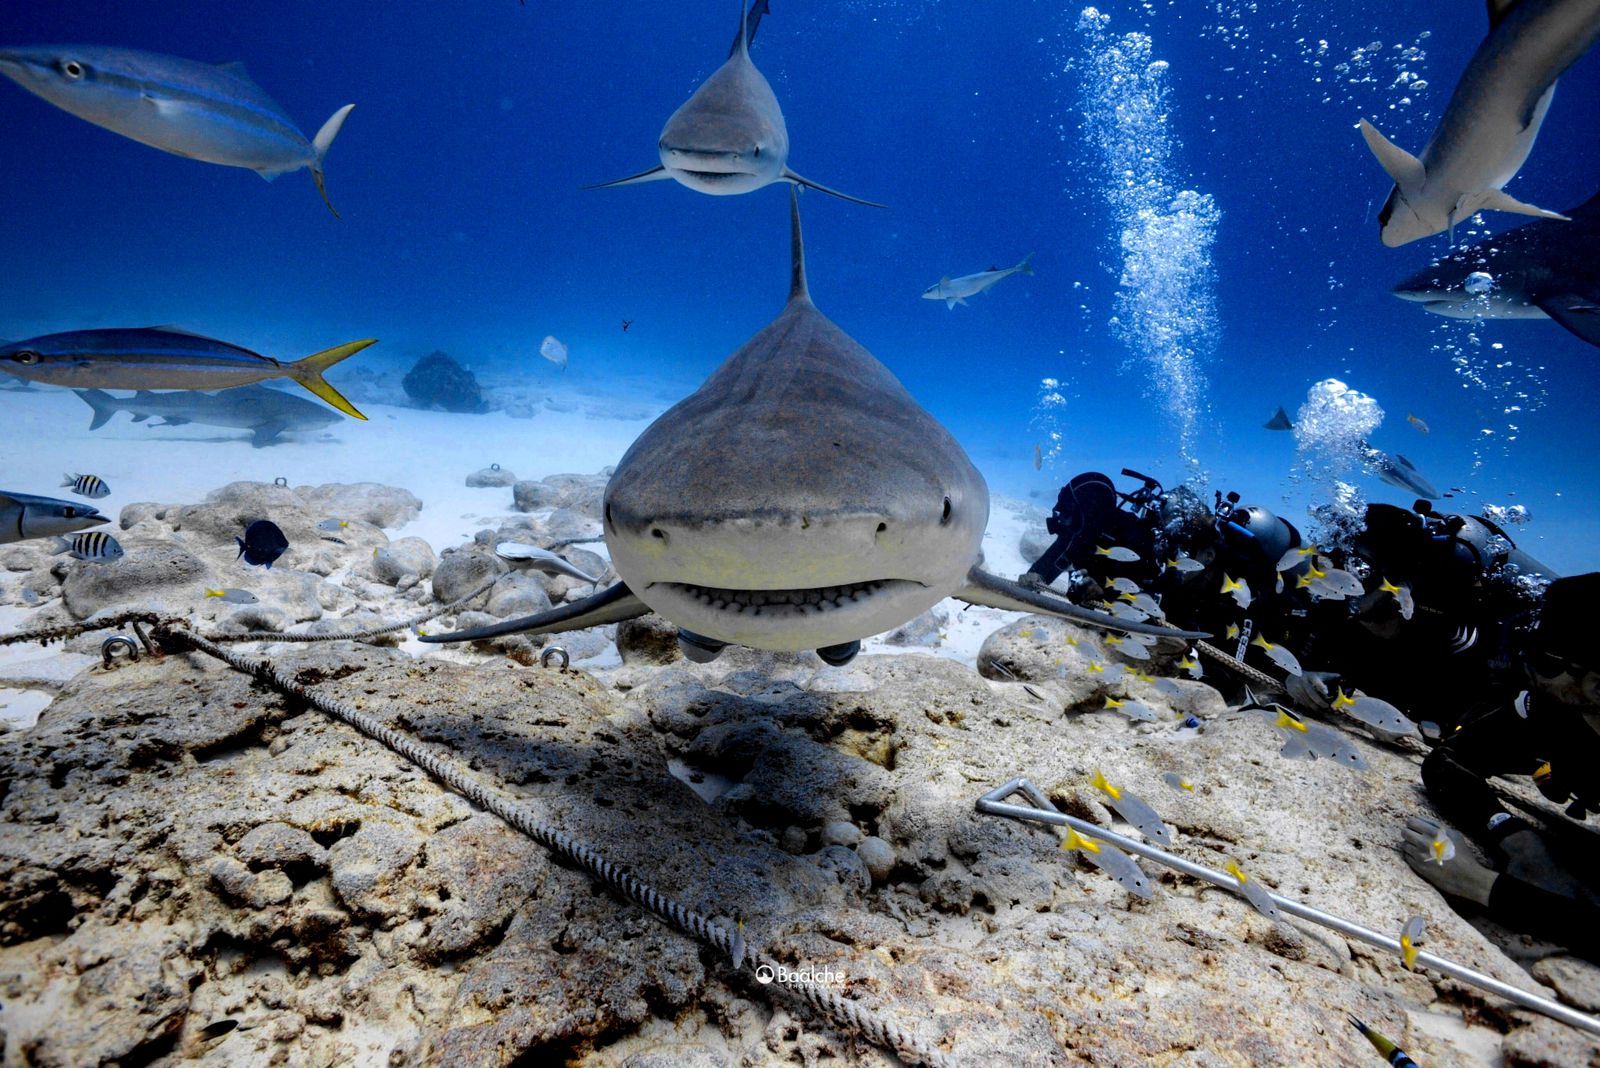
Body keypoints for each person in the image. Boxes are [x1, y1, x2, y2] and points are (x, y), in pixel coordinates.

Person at [1405, 573, 1600, 958]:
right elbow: (1447, 760)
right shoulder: (1552, 711)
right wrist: (1516, 837)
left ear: (1597, 685)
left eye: (1547, 662)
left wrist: (1480, 885)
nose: (1530, 671)